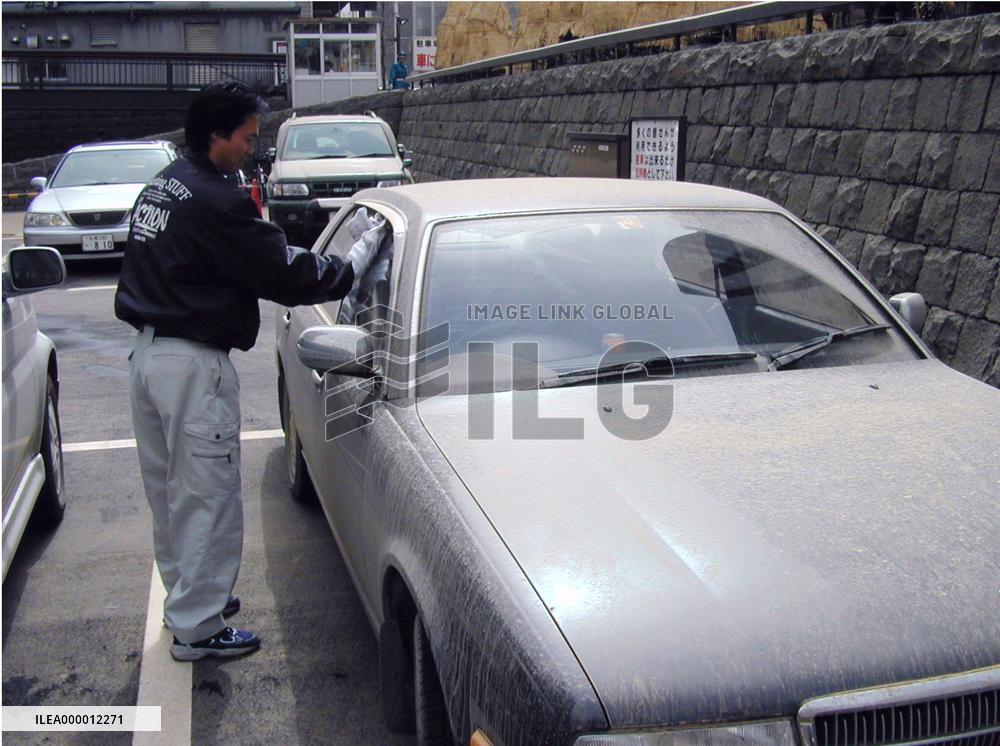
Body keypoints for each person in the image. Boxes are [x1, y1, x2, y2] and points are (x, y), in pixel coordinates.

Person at [115, 81, 370, 661]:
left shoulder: (165, 185)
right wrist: (347, 269)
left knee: (172, 494)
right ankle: (199, 628)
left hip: (149, 358)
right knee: (207, 495)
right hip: (191, 367)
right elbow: (280, 270)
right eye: (248, 138)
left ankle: (187, 600)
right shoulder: (217, 199)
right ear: (216, 135)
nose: (253, 150)